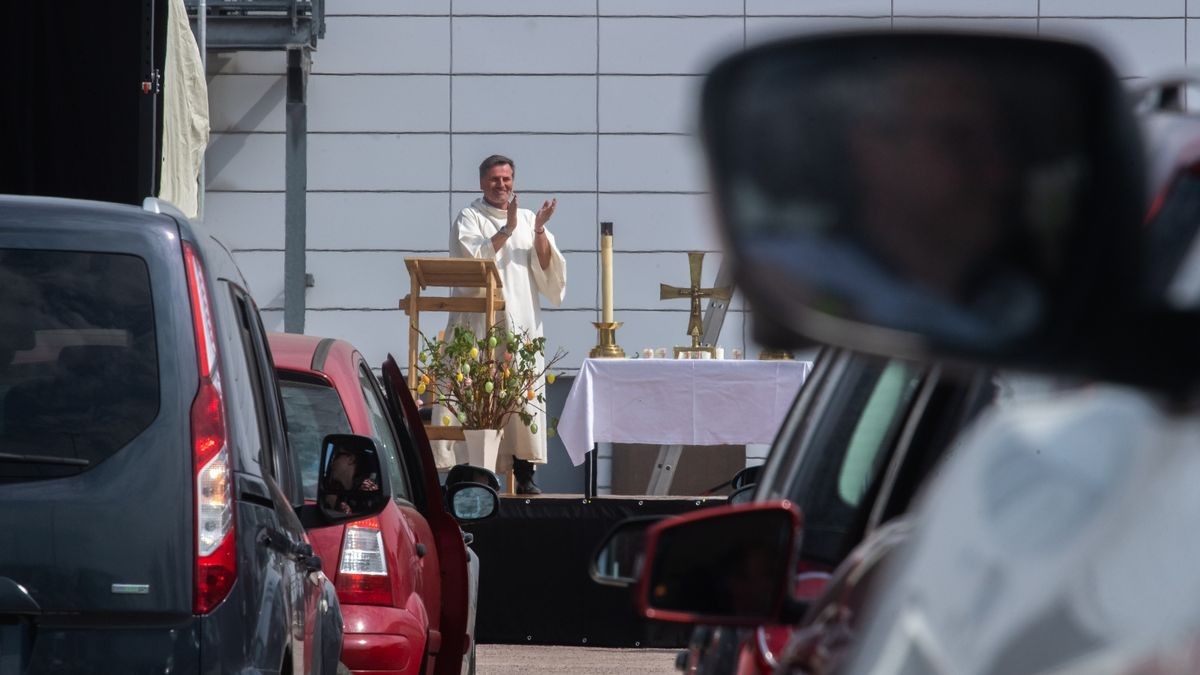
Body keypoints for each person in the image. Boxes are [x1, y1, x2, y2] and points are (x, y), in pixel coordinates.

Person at [433, 154, 567, 495]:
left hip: (519, 321)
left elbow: (547, 268)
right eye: (494, 179)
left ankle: (524, 474)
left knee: (520, 395)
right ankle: (471, 476)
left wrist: (537, 230)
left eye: (507, 179)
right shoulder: (470, 217)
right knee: (473, 396)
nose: (501, 185)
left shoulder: (527, 218)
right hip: (478, 323)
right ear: (482, 183)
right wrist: (506, 230)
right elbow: (472, 262)